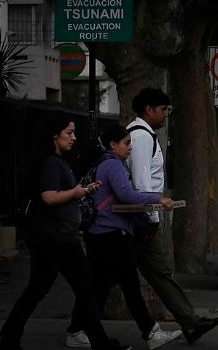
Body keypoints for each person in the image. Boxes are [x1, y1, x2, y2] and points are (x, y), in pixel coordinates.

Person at [0, 114, 129, 350]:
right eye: (69, 133)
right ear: (54, 136)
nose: (74, 137)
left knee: (84, 288)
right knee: (40, 289)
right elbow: (49, 197)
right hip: (52, 239)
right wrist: (76, 193)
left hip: (64, 238)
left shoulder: (59, 162)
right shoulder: (50, 162)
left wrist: (83, 191)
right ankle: (8, 338)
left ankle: (98, 341)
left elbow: (63, 193)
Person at [118, 87, 218, 345]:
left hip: (139, 218)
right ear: (149, 110)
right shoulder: (141, 136)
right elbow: (143, 183)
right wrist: (152, 220)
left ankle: (189, 323)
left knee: (149, 273)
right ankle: (80, 326)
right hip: (141, 218)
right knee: (139, 274)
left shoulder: (143, 134)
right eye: (163, 109)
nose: (166, 115)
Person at [66, 125, 181, 350]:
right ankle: (149, 332)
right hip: (111, 234)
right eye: (127, 143)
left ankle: (77, 330)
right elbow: (126, 195)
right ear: (113, 145)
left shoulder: (106, 163)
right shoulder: (112, 165)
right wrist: (158, 197)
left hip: (101, 234)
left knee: (99, 287)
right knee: (127, 284)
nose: (130, 147)